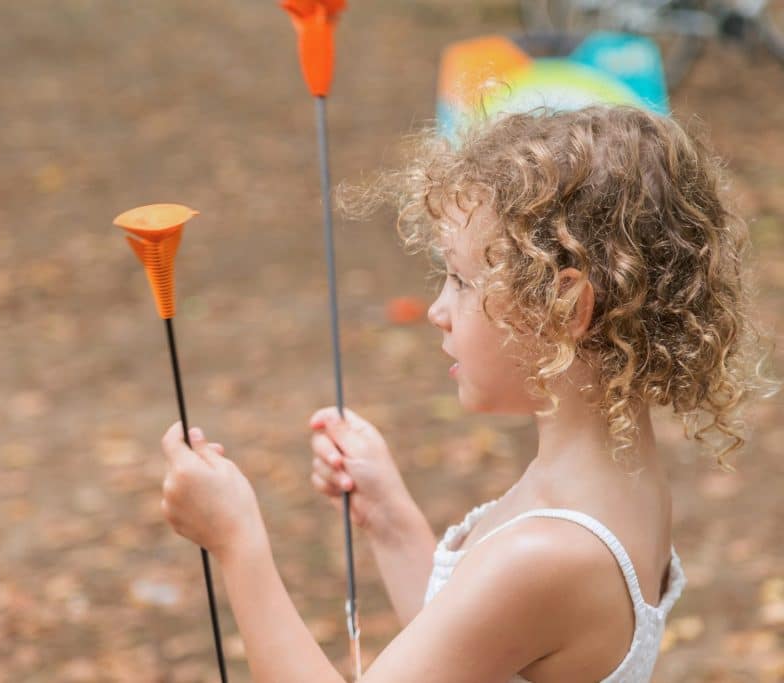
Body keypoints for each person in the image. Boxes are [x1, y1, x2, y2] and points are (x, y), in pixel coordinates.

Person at [157, 105, 776, 682]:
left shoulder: (548, 553)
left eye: (458, 278)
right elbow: (480, 644)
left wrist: (236, 541)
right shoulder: (619, 482)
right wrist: (390, 520)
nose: (436, 310)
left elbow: (503, 605)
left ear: (564, 306)